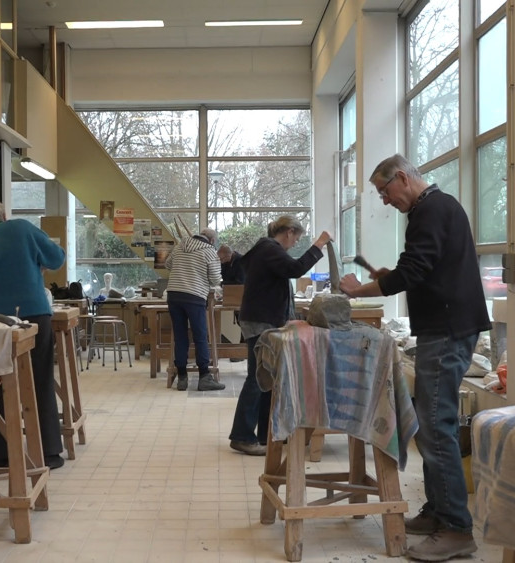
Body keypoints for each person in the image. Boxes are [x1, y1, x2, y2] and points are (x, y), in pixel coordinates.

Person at [338, 154, 490, 562]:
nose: (385, 201)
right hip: (445, 325)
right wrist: (391, 276)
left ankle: (457, 528)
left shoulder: (430, 210)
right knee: (431, 425)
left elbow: (413, 270)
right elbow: (423, 269)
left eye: (384, 191)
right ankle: (439, 510)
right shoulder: (436, 209)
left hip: (447, 329)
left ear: (403, 178)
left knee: (436, 429)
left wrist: (360, 290)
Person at [0, 200, 67, 470]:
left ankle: (2, 454)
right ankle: (48, 453)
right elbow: (57, 257)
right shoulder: (23, 229)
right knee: (39, 382)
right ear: (3, 215)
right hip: (33, 314)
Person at [228, 216, 330, 456]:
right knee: (257, 377)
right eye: (296, 238)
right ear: (288, 232)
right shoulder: (269, 249)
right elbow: (295, 269)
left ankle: (266, 433)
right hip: (261, 321)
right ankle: (242, 435)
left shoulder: (264, 250)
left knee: (268, 377)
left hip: (263, 319)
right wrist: (319, 245)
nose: (294, 243)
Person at [165, 228, 226, 392]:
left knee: (180, 336)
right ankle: (204, 377)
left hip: (174, 295)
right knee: (200, 336)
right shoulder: (209, 251)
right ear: (212, 240)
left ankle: (182, 378)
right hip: (194, 296)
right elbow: (215, 278)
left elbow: (168, 264)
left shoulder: (180, 246)